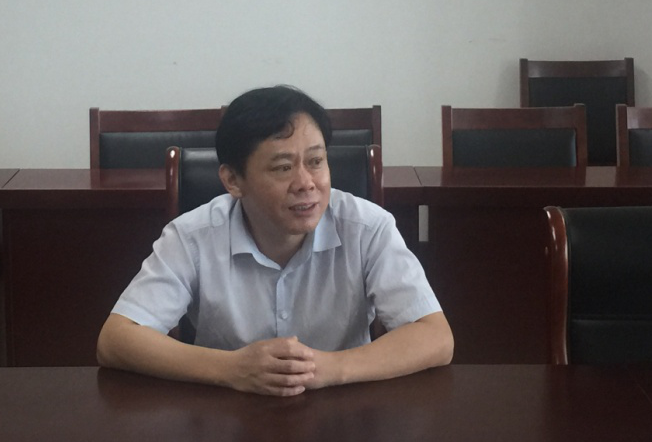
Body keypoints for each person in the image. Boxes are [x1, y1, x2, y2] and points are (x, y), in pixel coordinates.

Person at [96, 85, 453, 396]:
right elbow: (116, 339)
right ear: (233, 180)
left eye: (316, 161)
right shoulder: (192, 236)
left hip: (343, 415)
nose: (306, 183)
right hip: (227, 417)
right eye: (283, 167)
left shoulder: (367, 227)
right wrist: (231, 369)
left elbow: (435, 336)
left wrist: (327, 368)